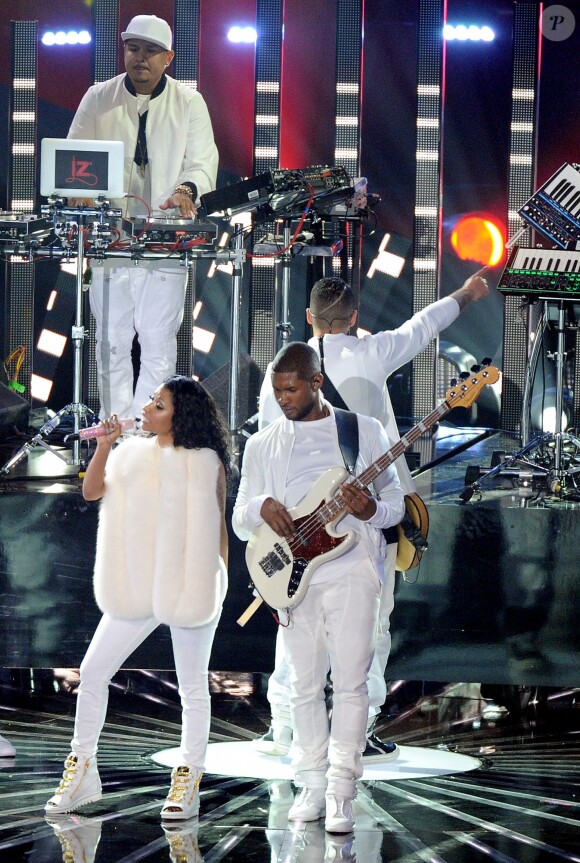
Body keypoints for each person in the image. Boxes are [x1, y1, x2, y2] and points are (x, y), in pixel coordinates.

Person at [255, 269, 491, 760]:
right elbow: (423, 326)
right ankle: (359, 730)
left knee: (293, 616)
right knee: (371, 626)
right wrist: (467, 293)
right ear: (354, 317)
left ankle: (282, 728)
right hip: (365, 518)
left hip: (300, 524)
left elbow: (267, 449)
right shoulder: (371, 352)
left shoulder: (283, 373)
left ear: (309, 318)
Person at [232, 342, 404, 833]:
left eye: (291, 390)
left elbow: (394, 501)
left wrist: (371, 510)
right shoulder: (261, 443)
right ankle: (309, 782)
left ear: (316, 382)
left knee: (350, 683)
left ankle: (342, 791)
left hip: (351, 569)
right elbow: (241, 515)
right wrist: (263, 505)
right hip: (290, 577)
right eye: (276, 390)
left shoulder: (361, 432)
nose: (282, 399)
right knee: (304, 685)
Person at [45, 376, 230, 820]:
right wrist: (105, 445)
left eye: (159, 404)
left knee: (191, 687)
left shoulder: (205, 462)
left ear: (179, 417)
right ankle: (82, 769)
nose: (148, 408)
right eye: (151, 400)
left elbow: (218, 528)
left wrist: (216, 582)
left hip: (191, 581)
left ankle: (188, 777)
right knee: (92, 671)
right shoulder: (130, 455)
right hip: (137, 584)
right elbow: (91, 491)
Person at [67, 14, 218, 420]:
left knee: (157, 340)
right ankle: (114, 429)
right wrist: (80, 192)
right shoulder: (98, 97)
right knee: (111, 340)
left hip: (166, 239)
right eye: (133, 48)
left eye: (151, 51)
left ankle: (148, 432)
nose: (140, 58)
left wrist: (186, 190)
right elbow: (73, 159)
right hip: (110, 237)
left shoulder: (190, 103)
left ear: (168, 58)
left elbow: (203, 163)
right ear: (124, 51)